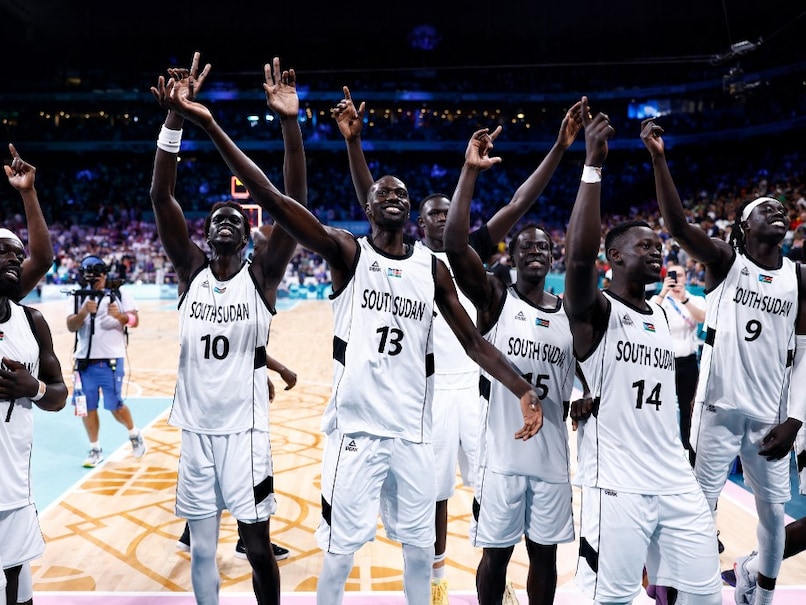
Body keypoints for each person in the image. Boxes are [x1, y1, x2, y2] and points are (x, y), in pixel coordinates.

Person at [155, 59, 542, 605]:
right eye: (383, 191)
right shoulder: (346, 252)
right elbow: (275, 199)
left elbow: (475, 342)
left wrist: (522, 386)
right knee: (338, 554)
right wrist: (226, 124)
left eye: (402, 194)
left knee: (416, 551)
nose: (395, 196)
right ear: (367, 206)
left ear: (409, 211)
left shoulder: (430, 269)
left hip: (412, 432)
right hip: (354, 434)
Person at [331, 87, 581, 605]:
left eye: (451, 214)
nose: (445, 220)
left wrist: (559, 148)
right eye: (435, 216)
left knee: (493, 493)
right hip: (428, 393)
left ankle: (496, 577)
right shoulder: (415, 260)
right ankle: (438, 581)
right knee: (436, 497)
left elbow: (520, 202)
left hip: (481, 385)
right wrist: (355, 147)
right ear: (420, 226)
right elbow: (369, 201)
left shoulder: (467, 257)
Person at [150, 53, 306, 605]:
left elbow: (292, 203)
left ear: (248, 235)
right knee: (201, 549)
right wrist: (174, 121)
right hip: (195, 432)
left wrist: (289, 122)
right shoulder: (190, 270)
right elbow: (161, 197)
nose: (223, 219)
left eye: (235, 218)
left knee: (258, 549)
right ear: (204, 231)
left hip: (246, 436)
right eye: (215, 215)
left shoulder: (262, 277)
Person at [641, 117, 806, 605]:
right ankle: (690, 591)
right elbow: (674, 224)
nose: (777, 211)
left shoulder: (800, 277)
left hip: (770, 418)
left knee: (774, 514)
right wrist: (659, 158)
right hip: (715, 410)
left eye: (781, 208)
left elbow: (804, 355)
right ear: (743, 228)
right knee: (699, 507)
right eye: (765, 209)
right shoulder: (724, 263)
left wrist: (795, 417)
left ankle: (760, 591)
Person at [563, 97, 722, 604]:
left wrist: (658, 159)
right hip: (618, 485)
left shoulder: (665, 313)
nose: (657, 251)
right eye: (643, 246)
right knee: (611, 599)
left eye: (659, 246)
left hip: (675, 478)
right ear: (614, 258)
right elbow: (578, 257)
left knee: (704, 595)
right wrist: (592, 166)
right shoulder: (596, 314)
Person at [444, 127, 578, 605]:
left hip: (553, 456)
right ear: (512, 257)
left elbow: (581, 380)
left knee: (545, 559)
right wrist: (469, 172)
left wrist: (582, 402)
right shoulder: (497, 299)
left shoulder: (570, 313)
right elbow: (456, 245)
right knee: (495, 558)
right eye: (526, 246)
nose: (536, 250)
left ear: (553, 255)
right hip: (500, 456)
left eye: (544, 246)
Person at [4, 145, 61, 605]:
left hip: (12, 492)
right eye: (3, 254)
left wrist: (34, 387)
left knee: (18, 595)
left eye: (15, 256)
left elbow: (57, 395)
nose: (13, 261)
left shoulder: (30, 320)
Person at [66, 255, 143, 468]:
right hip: (84, 362)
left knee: (115, 406)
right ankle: (95, 448)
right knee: (86, 407)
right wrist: (83, 313)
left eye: (97, 276)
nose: (93, 281)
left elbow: (135, 320)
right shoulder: (78, 296)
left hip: (110, 360)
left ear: (104, 274)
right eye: (89, 277)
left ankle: (134, 433)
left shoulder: (119, 293)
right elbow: (71, 326)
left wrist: (121, 317)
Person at [649, 264, 705, 465]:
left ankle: (687, 451)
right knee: (659, 406)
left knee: (687, 407)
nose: (676, 279)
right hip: (663, 363)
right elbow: (648, 313)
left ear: (686, 277)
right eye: (672, 275)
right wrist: (664, 291)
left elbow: (702, 318)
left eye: (679, 275)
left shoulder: (694, 299)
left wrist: (684, 299)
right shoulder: (661, 301)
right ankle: (659, 449)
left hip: (688, 361)